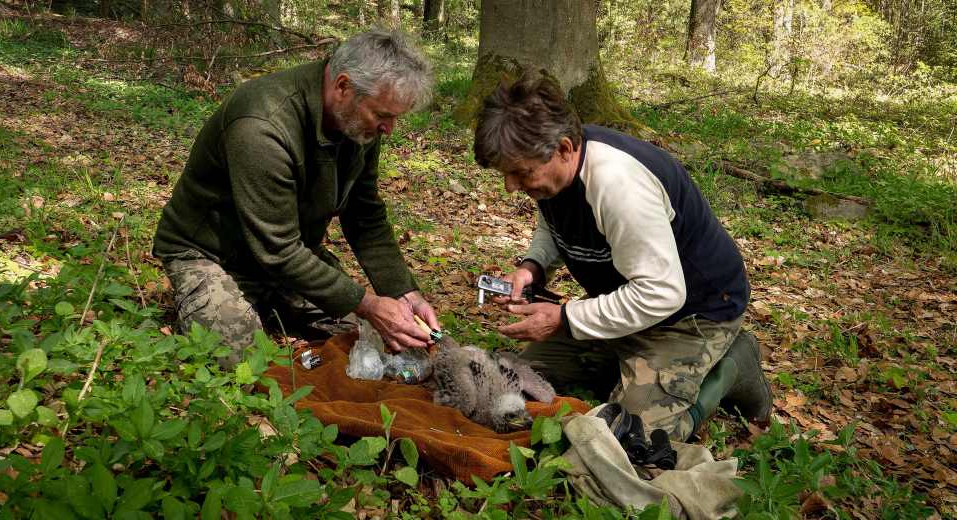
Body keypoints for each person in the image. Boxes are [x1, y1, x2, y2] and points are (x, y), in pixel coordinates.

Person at [473, 75, 772, 441]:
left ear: (565, 149)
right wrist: (532, 266)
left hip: (691, 315)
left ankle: (733, 365)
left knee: (632, 438)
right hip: (626, 301)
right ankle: (632, 368)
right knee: (515, 380)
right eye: (507, 174)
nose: (511, 186)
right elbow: (554, 224)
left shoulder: (618, 185)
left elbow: (662, 293)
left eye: (521, 173)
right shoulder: (556, 174)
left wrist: (566, 317)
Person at [153, 29, 440, 368]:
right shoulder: (262, 125)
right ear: (343, 87)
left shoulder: (357, 120)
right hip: (212, 253)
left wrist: (402, 292)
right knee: (241, 362)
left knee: (374, 339)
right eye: (382, 116)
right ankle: (215, 296)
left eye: (394, 118)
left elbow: (365, 215)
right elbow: (278, 249)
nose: (388, 129)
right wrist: (368, 304)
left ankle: (265, 303)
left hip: (286, 257)